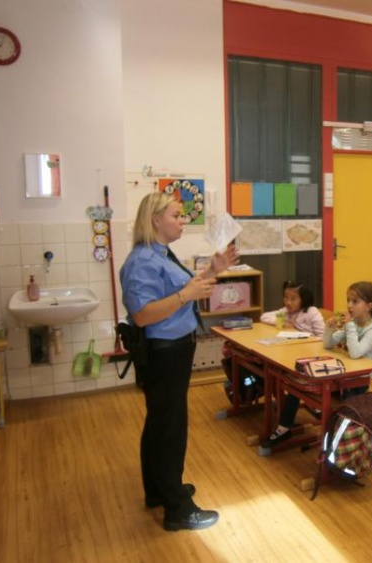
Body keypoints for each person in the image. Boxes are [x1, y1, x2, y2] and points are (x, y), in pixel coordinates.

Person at [120, 192, 238, 532]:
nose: (183, 220)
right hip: (163, 353)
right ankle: (177, 509)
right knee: (170, 428)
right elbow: (142, 315)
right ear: (155, 219)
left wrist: (213, 270)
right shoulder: (142, 261)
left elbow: (183, 289)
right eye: (176, 215)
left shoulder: (161, 254)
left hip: (174, 349)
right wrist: (186, 295)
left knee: (161, 424)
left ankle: (159, 491)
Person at [262, 281, 372, 449]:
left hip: (357, 383)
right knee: (298, 382)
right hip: (341, 376)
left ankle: (336, 440)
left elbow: (356, 353)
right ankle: (284, 428)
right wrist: (329, 328)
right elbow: (328, 344)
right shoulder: (354, 324)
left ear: (368, 306)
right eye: (348, 300)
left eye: (355, 301)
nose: (349, 305)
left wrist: (349, 326)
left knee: (336, 406)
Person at [260, 280, 325, 336]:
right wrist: (283, 323)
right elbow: (264, 317)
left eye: (293, 299)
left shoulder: (312, 312)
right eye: (286, 298)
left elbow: (323, 335)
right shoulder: (286, 311)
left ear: (303, 299)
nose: (288, 303)